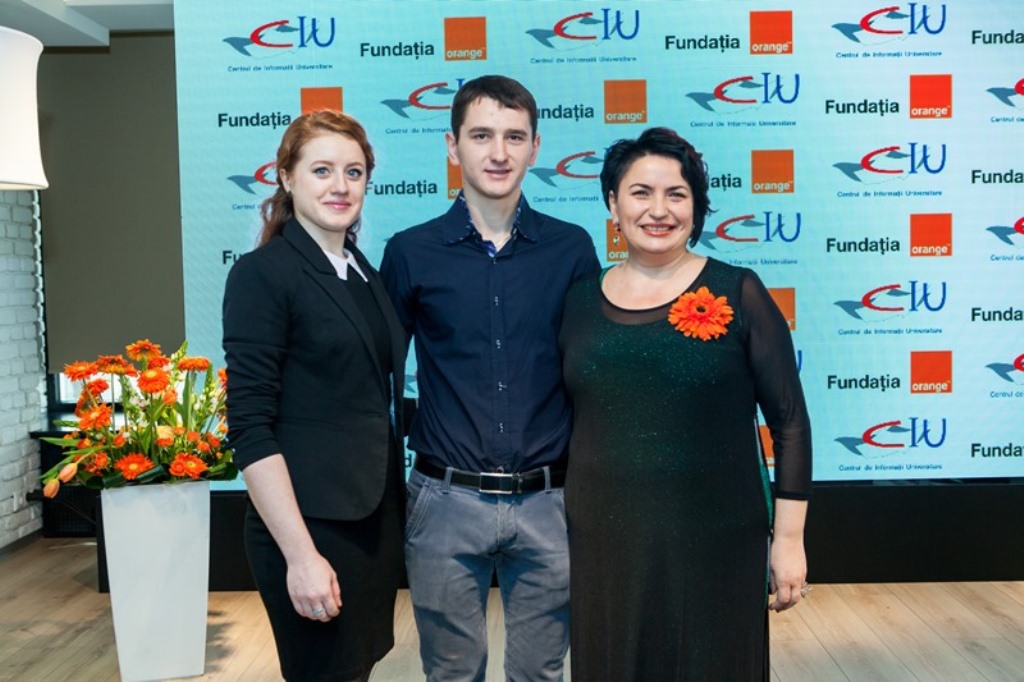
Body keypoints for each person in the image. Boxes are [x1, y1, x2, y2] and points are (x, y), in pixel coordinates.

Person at [558, 127, 813, 681]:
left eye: (676, 194)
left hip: (718, 542)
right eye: (640, 193)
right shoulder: (577, 300)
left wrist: (789, 541)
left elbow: (790, 423)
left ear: (696, 207)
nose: (659, 210)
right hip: (604, 544)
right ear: (613, 204)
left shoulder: (739, 291)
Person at [380, 75, 600, 681]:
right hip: (444, 502)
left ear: (536, 146)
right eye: (481, 136)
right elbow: (378, 374)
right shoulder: (411, 252)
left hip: (551, 502)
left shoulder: (572, 249)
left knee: (540, 675)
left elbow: (594, 371)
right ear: (452, 146)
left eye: (513, 136)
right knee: (451, 674)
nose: (498, 153)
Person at [222, 111, 407, 682]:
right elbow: (250, 426)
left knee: (357, 668)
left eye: (354, 172)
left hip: (371, 520)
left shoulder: (361, 270)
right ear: (286, 176)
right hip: (309, 528)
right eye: (322, 170)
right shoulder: (263, 274)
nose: (340, 186)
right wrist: (301, 556)